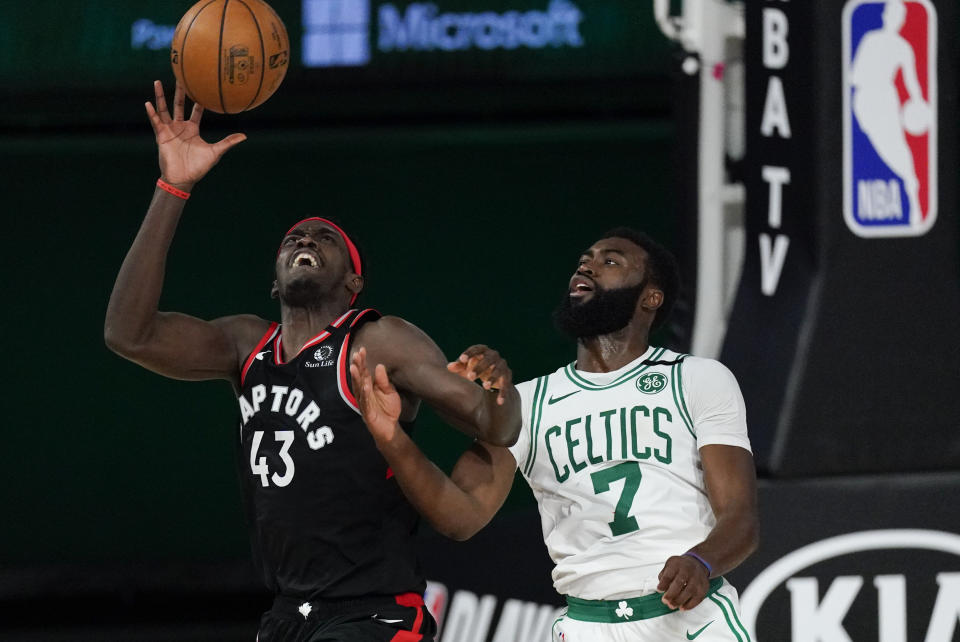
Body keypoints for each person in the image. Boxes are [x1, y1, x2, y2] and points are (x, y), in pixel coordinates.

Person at [104, 81, 521, 642]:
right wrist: (172, 187)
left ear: (354, 280)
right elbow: (127, 334)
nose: (306, 238)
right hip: (287, 616)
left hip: (374, 612)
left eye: (325, 238)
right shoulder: (245, 345)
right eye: (294, 237)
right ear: (273, 282)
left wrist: (499, 386)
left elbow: (495, 427)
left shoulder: (377, 340)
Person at [351, 228, 759, 641]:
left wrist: (701, 561)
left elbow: (740, 518)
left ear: (649, 298)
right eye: (585, 258)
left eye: (610, 261)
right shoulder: (527, 404)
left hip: (690, 619)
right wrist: (393, 438)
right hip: (587, 625)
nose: (587, 265)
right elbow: (459, 518)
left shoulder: (697, 378)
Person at [851, 0, 929, 223]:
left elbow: (911, 80)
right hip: (865, 99)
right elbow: (854, 75)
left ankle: (913, 197)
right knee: (878, 146)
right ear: (885, 16)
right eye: (890, 14)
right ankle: (911, 187)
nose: (893, 19)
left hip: (885, 98)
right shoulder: (871, 40)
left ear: (901, 20)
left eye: (897, 16)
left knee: (896, 148)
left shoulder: (903, 48)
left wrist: (918, 103)